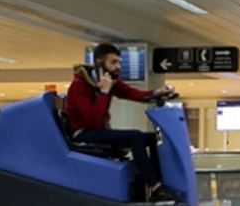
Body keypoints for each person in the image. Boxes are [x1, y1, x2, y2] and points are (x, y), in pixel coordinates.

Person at [64, 43, 178, 203]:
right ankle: (155, 187)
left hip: (97, 130)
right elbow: (92, 120)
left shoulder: (110, 81)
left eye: (119, 62)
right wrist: (104, 92)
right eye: (113, 62)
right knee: (135, 137)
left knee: (153, 139)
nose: (118, 66)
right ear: (99, 63)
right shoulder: (79, 85)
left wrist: (156, 92)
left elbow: (132, 93)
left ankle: (160, 183)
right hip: (83, 133)